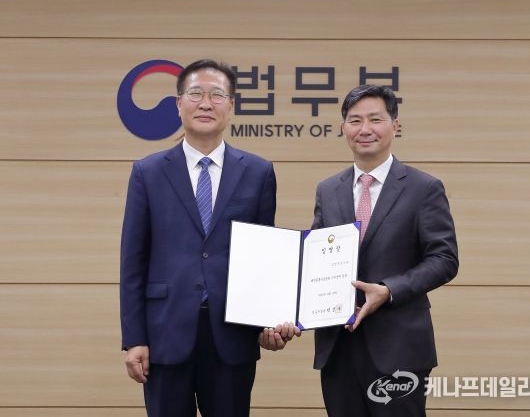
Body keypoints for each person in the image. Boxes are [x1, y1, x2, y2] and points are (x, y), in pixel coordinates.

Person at [120, 59, 299, 417]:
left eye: (217, 95)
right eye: (195, 94)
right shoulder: (148, 172)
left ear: (231, 106)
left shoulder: (258, 172)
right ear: (178, 104)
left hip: (231, 335)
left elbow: (264, 258)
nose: (206, 103)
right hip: (165, 333)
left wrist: (268, 320)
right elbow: (133, 263)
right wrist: (134, 338)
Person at [311, 84, 459, 416]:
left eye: (375, 119)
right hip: (338, 347)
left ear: (395, 125)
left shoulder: (423, 188)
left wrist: (388, 290)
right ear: (343, 128)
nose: (365, 129)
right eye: (355, 120)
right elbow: (316, 260)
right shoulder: (328, 190)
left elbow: (444, 259)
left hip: (399, 347)